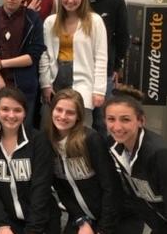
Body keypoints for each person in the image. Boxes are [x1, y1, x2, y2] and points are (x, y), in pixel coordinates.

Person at [0, 87, 60, 234]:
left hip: (41, 221)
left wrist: (33, 230)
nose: (11, 115)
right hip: (6, 222)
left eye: (17, 110)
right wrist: (2, 225)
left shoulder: (39, 140)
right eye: (5, 109)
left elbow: (41, 190)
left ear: (24, 113)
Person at [45, 89, 120, 234]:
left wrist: (103, 229)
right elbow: (61, 189)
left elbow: (111, 187)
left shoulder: (91, 139)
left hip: (112, 216)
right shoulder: (47, 142)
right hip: (80, 216)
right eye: (59, 110)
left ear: (78, 116)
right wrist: (81, 220)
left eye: (70, 112)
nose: (63, 116)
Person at [39, 0, 107, 127]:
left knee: (81, 130)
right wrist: (45, 84)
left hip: (82, 79)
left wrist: (99, 90)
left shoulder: (94, 21)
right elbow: (44, 55)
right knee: (51, 128)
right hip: (55, 79)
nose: (70, 0)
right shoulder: (51, 21)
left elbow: (101, 58)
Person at [75, 0, 129, 135]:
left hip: (104, 72)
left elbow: (123, 38)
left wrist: (116, 66)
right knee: (78, 122)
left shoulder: (116, 2)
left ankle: (104, 161)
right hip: (76, 70)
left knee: (102, 121)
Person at [104, 85, 167, 234]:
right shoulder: (113, 144)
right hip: (157, 223)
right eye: (111, 119)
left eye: (125, 119)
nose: (117, 127)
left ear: (141, 121)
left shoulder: (159, 154)